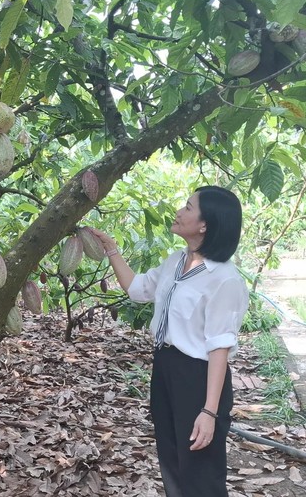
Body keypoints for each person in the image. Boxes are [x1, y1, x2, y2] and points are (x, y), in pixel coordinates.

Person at [92, 185, 249, 497]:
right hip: (165, 367)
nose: (179, 211)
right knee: (173, 464)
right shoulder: (176, 260)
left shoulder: (225, 280)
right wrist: (111, 249)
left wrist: (209, 412)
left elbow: (219, 347)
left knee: (201, 472)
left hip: (198, 376)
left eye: (188, 207)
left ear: (205, 225)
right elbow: (137, 289)